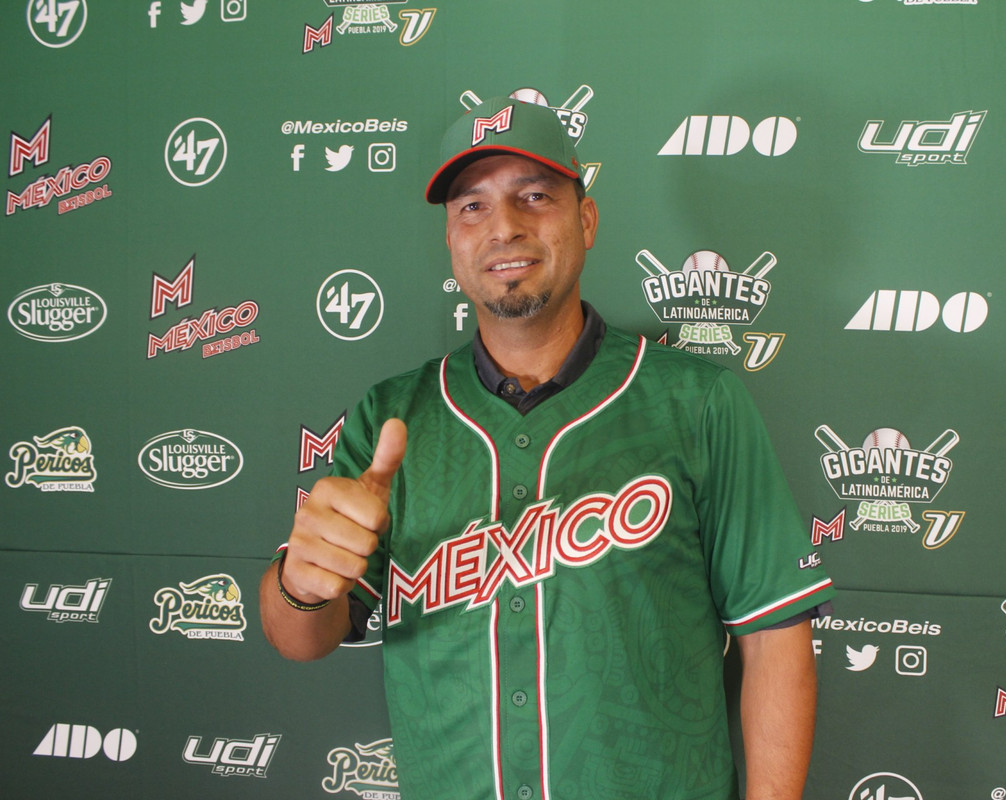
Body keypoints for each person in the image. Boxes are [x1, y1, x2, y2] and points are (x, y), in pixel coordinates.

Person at [260, 96, 835, 800]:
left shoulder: (696, 402)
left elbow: (775, 639)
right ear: (451, 238)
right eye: (472, 206)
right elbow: (300, 638)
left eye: (534, 196)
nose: (504, 226)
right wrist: (299, 586)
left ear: (586, 220)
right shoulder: (390, 418)